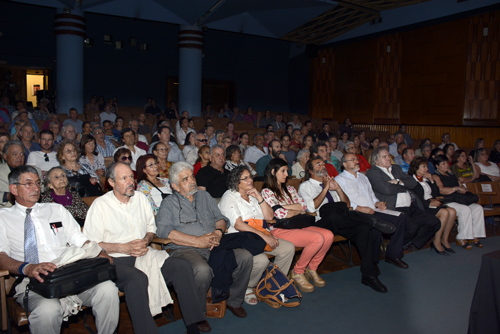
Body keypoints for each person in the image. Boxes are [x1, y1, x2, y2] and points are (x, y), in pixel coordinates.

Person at [83, 162, 206, 334]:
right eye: (124, 178)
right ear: (111, 183)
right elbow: (91, 244)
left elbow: (151, 228)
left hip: (144, 254)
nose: (130, 182)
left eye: (131, 177)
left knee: (182, 267)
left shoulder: (140, 198)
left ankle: (193, 328)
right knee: (137, 279)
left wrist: (146, 239)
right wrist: (124, 247)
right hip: (115, 260)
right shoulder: (100, 205)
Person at [0, 165, 119, 334]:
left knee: (108, 290)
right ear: (13, 189)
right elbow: (1, 256)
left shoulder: (55, 209)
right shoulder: (3, 218)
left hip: (69, 273)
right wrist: (28, 267)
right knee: (48, 309)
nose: (35, 188)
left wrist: (97, 251)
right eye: (28, 184)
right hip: (33, 281)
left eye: (37, 183)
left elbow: (79, 238)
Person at [156, 162, 254, 328]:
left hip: (214, 244)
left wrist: (217, 232)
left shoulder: (204, 196)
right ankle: (198, 315)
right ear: (175, 186)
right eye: (185, 179)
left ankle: (234, 301)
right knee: (201, 271)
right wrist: (197, 241)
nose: (192, 181)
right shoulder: (168, 203)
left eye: (192, 177)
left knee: (245, 257)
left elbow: (221, 218)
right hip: (185, 249)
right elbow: (164, 231)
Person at [299, 156, 392, 292]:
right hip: (321, 223)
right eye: (318, 164)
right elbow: (311, 208)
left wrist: (338, 189)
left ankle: (369, 275)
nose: (323, 166)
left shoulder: (332, 182)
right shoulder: (305, 186)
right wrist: (325, 189)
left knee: (363, 229)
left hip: (341, 222)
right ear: (311, 171)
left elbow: (347, 205)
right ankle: (371, 220)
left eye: (323, 164)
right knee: (331, 212)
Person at [219, 165, 295, 305]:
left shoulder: (253, 196)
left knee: (288, 248)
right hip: (240, 240)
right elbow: (238, 225)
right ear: (237, 182)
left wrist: (259, 197)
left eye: (251, 177)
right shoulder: (229, 196)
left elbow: (269, 216)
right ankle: (248, 286)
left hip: (259, 237)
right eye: (245, 178)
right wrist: (265, 236)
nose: (250, 180)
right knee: (261, 261)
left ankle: (273, 284)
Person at [261, 158, 333, 292]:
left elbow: (304, 206)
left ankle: (312, 268)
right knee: (317, 239)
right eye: (283, 171)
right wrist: (293, 209)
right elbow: (279, 214)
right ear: (273, 172)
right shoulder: (267, 192)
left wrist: (284, 207)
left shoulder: (290, 189)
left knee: (328, 235)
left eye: (286, 171)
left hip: (297, 224)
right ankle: (298, 272)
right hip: (279, 229)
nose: (286, 174)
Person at [366, 146, 441, 251]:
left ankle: (405, 243)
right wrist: (403, 184)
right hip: (394, 207)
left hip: (411, 206)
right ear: (376, 160)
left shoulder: (396, 168)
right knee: (412, 228)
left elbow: (412, 182)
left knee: (435, 222)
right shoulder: (373, 172)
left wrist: (398, 181)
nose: (388, 158)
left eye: (388, 155)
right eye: (384, 156)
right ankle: (395, 247)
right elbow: (387, 189)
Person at [432, 155, 486, 249]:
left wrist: (462, 189)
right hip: (447, 200)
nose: (446, 165)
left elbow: (461, 185)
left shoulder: (451, 174)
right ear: (437, 166)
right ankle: (461, 238)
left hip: (459, 199)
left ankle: (474, 236)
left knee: (478, 208)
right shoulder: (436, 176)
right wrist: (456, 188)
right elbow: (441, 190)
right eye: (443, 164)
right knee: (465, 210)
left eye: (446, 163)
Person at [408, 157, 457, 255]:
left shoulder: (426, 179)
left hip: (432, 203)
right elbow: (415, 200)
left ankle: (444, 239)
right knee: (444, 212)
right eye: (423, 166)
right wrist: (429, 203)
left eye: (426, 166)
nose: (426, 168)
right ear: (416, 168)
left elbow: (435, 193)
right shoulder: (411, 181)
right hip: (422, 207)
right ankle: (436, 241)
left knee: (452, 211)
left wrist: (431, 180)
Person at [0, 141, 26, 208]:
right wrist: (6, 196)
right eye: (15, 154)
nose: (19, 157)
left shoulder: (32, 172)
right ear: (5, 156)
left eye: (21, 154)